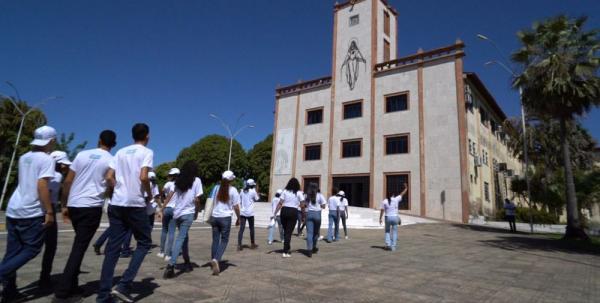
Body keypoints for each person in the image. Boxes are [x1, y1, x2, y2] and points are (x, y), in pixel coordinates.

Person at [53, 130, 116, 301]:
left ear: (99, 140)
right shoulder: (112, 160)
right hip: (91, 206)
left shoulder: (81, 155)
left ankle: (72, 287)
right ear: (113, 144)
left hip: (75, 204)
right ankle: (62, 293)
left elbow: (67, 181)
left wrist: (64, 204)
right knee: (79, 248)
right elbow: (111, 183)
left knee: (78, 244)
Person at [97, 123, 154, 303]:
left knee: (113, 247)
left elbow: (108, 176)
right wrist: (149, 194)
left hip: (117, 203)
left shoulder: (120, 152)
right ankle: (124, 284)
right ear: (147, 136)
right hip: (135, 203)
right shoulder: (146, 152)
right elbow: (144, 176)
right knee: (144, 243)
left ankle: (103, 295)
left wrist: (118, 188)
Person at [0, 125, 56, 302]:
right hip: (31, 210)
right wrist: (49, 211)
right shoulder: (47, 159)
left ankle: (10, 293)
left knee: (12, 252)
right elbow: (42, 185)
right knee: (32, 248)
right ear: (51, 141)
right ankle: (2, 274)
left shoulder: (24, 157)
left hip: (14, 208)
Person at [163, 161, 203, 278]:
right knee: (180, 238)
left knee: (184, 237)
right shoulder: (197, 181)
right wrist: (196, 212)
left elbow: (172, 195)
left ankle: (187, 262)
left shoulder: (178, 181)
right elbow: (197, 199)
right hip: (187, 213)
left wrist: (163, 207)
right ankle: (171, 265)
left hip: (177, 213)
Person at [38, 150, 71, 289]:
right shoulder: (56, 176)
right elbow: (48, 193)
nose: (66, 167)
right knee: (50, 246)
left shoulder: (40, 171)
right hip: (45, 211)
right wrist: (50, 211)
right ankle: (44, 278)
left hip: (31, 210)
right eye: (64, 164)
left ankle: (10, 283)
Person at [209, 171, 241, 276]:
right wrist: (239, 218)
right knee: (224, 240)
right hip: (225, 218)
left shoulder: (216, 188)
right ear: (231, 179)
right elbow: (236, 206)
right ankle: (216, 259)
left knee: (215, 240)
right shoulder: (233, 190)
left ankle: (213, 260)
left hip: (214, 216)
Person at [274, 178, 304, 258]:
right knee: (289, 232)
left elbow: (280, 203)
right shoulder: (299, 193)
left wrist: (275, 212)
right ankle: (285, 251)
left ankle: (287, 248)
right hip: (293, 211)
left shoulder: (285, 191)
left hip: (284, 211)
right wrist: (303, 214)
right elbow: (302, 204)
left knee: (286, 231)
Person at [158, 168, 179, 260]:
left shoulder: (167, 184)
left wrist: (163, 201)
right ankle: (168, 254)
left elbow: (161, 192)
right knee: (171, 232)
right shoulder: (180, 185)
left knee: (164, 230)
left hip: (167, 208)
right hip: (175, 209)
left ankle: (161, 252)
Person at [379, 183, 407, 251]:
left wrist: (380, 218)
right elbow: (402, 193)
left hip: (387, 217)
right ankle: (393, 246)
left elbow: (382, 210)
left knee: (387, 231)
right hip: (395, 218)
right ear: (393, 194)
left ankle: (388, 244)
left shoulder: (384, 201)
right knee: (394, 232)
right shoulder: (396, 199)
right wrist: (406, 188)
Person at [303, 183, 326, 257]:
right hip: (317, 214)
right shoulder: (320, 195)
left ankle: (309, 250)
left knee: (309, 233)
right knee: (316, 233)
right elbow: (324, 206)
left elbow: (305, 205)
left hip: (309, 214)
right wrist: (319, 205)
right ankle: (314, 247)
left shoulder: (307, 196)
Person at [237, 179, 259, 251]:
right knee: (251, 229)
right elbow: (257, 198)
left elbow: (239, 200)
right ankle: (252, 244)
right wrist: (257, 191)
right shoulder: (253, 191)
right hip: (250, 213)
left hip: (243, 212)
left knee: (241, 229)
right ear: (252, 185)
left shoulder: (242, 191)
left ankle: (239, 244)